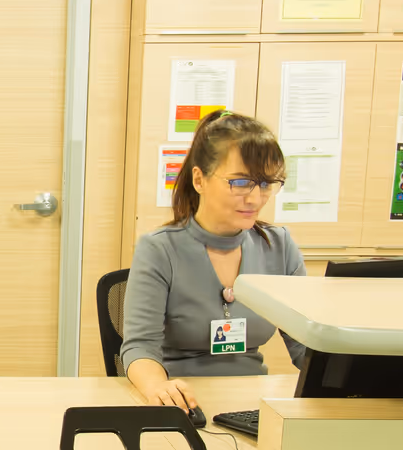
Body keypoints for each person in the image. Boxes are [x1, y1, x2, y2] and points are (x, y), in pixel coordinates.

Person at [119, 110, 308, 409]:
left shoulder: (279, 246)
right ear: (199, 179)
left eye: (266, 184)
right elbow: (140, 347)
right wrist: (159, 388)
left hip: (253, 405)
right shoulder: (159, 249)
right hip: (184, 404)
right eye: (241, 182)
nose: (255, 198)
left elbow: (306, 345)